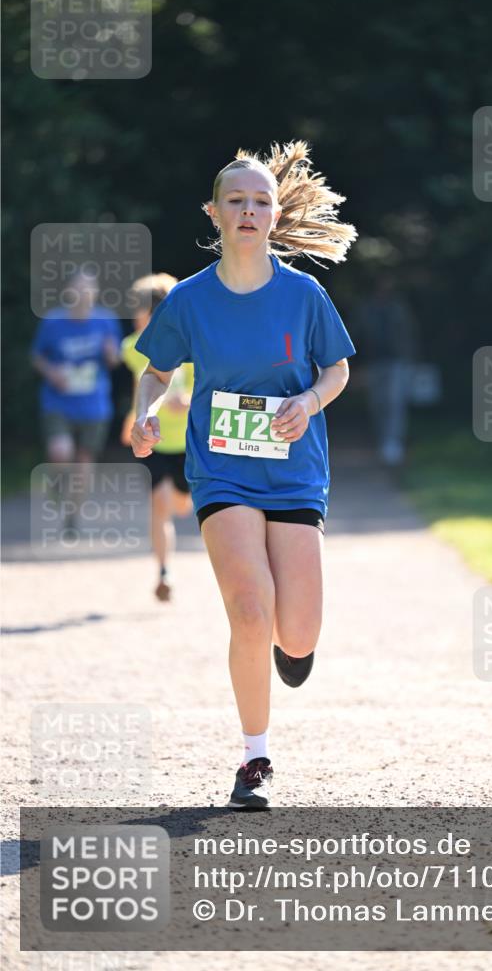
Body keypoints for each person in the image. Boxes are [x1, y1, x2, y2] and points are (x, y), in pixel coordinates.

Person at [130, 140, 357, 808]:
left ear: (274, 211)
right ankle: (254, 757)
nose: (250, 210)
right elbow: (156, 371)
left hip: (293, 471)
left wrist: (308, 401)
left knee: (298, 631)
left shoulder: (303, 294)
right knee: (250, 612)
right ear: (215, 212)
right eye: (237, 200)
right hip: (221, 470)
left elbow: (336, 368)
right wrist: (146, 415)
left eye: (261, 200)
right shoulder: (189, 300)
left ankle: (291, 649)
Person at [120, 273, 194, 602]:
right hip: (155, 439)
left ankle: (182, 499)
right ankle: (164, 571)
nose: (136, 318)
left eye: (141, 311)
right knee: (159, 505)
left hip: (189, 440)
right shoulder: (131, 348)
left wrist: (188, 400)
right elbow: (141, 385)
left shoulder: (191, 342)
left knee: (180, 504)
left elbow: (209, 382)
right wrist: (132, 420)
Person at [31, 269, 122, 530]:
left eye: (89, 287)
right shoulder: (53, 322)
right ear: (69, 291)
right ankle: (56, 486)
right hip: (58, 401)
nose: (84, 293)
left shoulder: (106, 320)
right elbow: (37, 356)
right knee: (60, 453)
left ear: (95, 292)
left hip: (94, 405)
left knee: (83, 461)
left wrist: (110, 354)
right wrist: (51, 372)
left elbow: (115, 360)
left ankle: (73, 516)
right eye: (79, 287)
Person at [356, 272, 419, 467]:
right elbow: (356, 333)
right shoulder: (366, 308)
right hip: (374, 362)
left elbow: (409, 334)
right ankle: (382, 439)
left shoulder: (399, 308)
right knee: (377, 403)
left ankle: (392, 443)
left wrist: (412, 360)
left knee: (394, 402)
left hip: (396, 361)